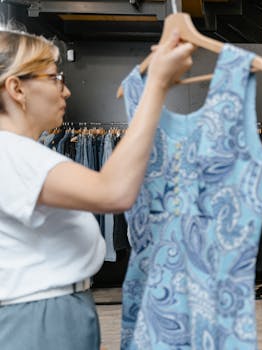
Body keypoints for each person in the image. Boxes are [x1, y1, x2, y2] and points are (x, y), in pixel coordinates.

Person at [0, 26, 194, 349]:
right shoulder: (12, 154)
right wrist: (156, 86)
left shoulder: (20, 153)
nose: (66, 91)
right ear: (17, 88)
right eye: (53, 78)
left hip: (49, 313)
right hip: (39, 320)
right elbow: (113, 191)